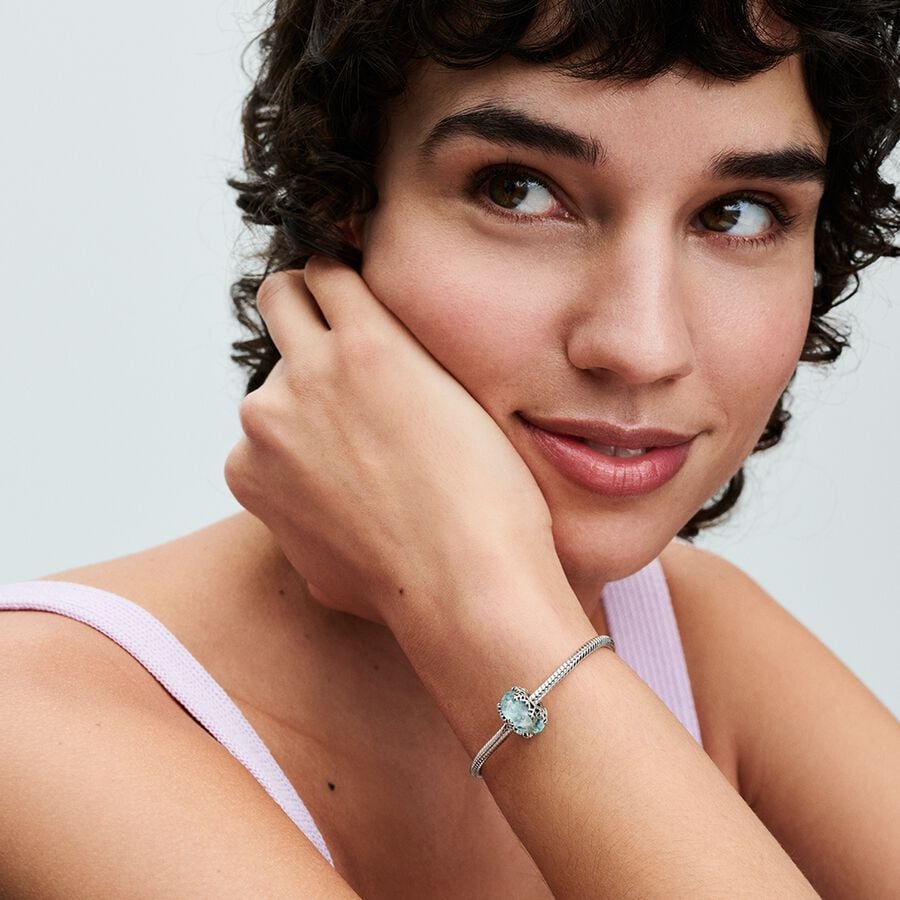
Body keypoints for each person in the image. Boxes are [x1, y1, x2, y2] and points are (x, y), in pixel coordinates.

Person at [2, 0, 899, 896]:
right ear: (344, 201)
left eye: (738, 213)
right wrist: (489, 615)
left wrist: (481, 607)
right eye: (519, 190)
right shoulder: (37, 721)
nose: (642, 344)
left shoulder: (699, 642)